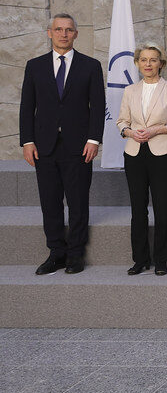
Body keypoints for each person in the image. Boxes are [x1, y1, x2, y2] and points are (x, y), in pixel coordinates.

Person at [19, 14, 104, 275]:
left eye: (69, 30)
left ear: (76, 34)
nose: (63, 34)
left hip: (79, 146)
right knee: (50, 201)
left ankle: (75, 254)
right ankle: (56, 252)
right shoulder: (34, 66)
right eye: (58, 29)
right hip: (43, 146)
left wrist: (93, 140)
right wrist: (27, 141)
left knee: (78, 201)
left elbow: (98, 107)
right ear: (49, 33)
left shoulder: (90, 65)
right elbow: (27, 107)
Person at [115, 44, 167, 275]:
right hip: (134, 153)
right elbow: (121, 122)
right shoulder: (130, 91)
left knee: (162, 207)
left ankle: (162, 259)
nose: (148, 64)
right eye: (143, 60)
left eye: (153, 60)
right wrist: (129, 132)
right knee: (138, 209)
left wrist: (158, 129)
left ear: (161, 64)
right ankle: (140, 259)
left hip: (163, 153)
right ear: (137, 63)